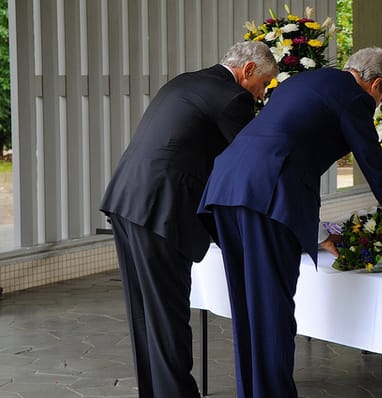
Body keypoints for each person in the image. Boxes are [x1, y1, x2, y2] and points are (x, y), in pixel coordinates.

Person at [197, 47, 382, 398]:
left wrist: (316, 234)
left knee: (248, 307)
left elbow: (286, 140)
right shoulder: (354, 98)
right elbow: (378, 173)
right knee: (272, 309)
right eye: (381, 98)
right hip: (268, 196)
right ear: (374, 85)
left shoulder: (308, 80)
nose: (377, 106)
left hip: (226, 188)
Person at [99, 41, 278, 397]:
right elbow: (252, 164)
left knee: (145, 315)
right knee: (168, 319)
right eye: (264, 84)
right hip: (160, 210)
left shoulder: (187, 81)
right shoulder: (233, 98)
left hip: (127, 200)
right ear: (248, 72)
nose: (262, 95)